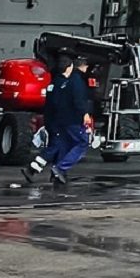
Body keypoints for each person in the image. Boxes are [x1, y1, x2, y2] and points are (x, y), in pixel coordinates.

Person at [21, 56, 93, 189]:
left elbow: (52, 104)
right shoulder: (74, 82)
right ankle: (58, 169)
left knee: (60, 145)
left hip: (54, 120)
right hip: (67, 120)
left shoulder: (55, 83)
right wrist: (84, 114)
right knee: (80, 142)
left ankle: (43, 171)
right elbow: (78, 101)